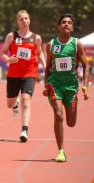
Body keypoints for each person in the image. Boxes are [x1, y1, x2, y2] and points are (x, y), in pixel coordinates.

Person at [43, 14, 89, 162]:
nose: (66, 24)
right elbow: (48, 67)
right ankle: (61, 151)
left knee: (71, 122)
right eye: (63, 22)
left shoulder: (77, 44)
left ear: (73, 27)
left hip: (71, 87)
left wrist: (85, 86)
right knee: (58, 114)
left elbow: (86, 65)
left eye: (69, 23)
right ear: (58, 26)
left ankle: (73, 101)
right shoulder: (51, 45)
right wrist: (45, 85)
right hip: (55, 84)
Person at [0, 10, 46, 142]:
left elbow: (39, 53)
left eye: (26, 18)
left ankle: (24, 131)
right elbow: (3, 52)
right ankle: (15, 104)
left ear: (29, 20)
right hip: (14, 74)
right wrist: (8, 59)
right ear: (17, 22)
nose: (24, 21)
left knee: (26, 100)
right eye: (21, 19)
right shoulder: (11, 36)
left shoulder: (36, 38)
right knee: (10, 104)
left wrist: (45, 65)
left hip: (30, 73)